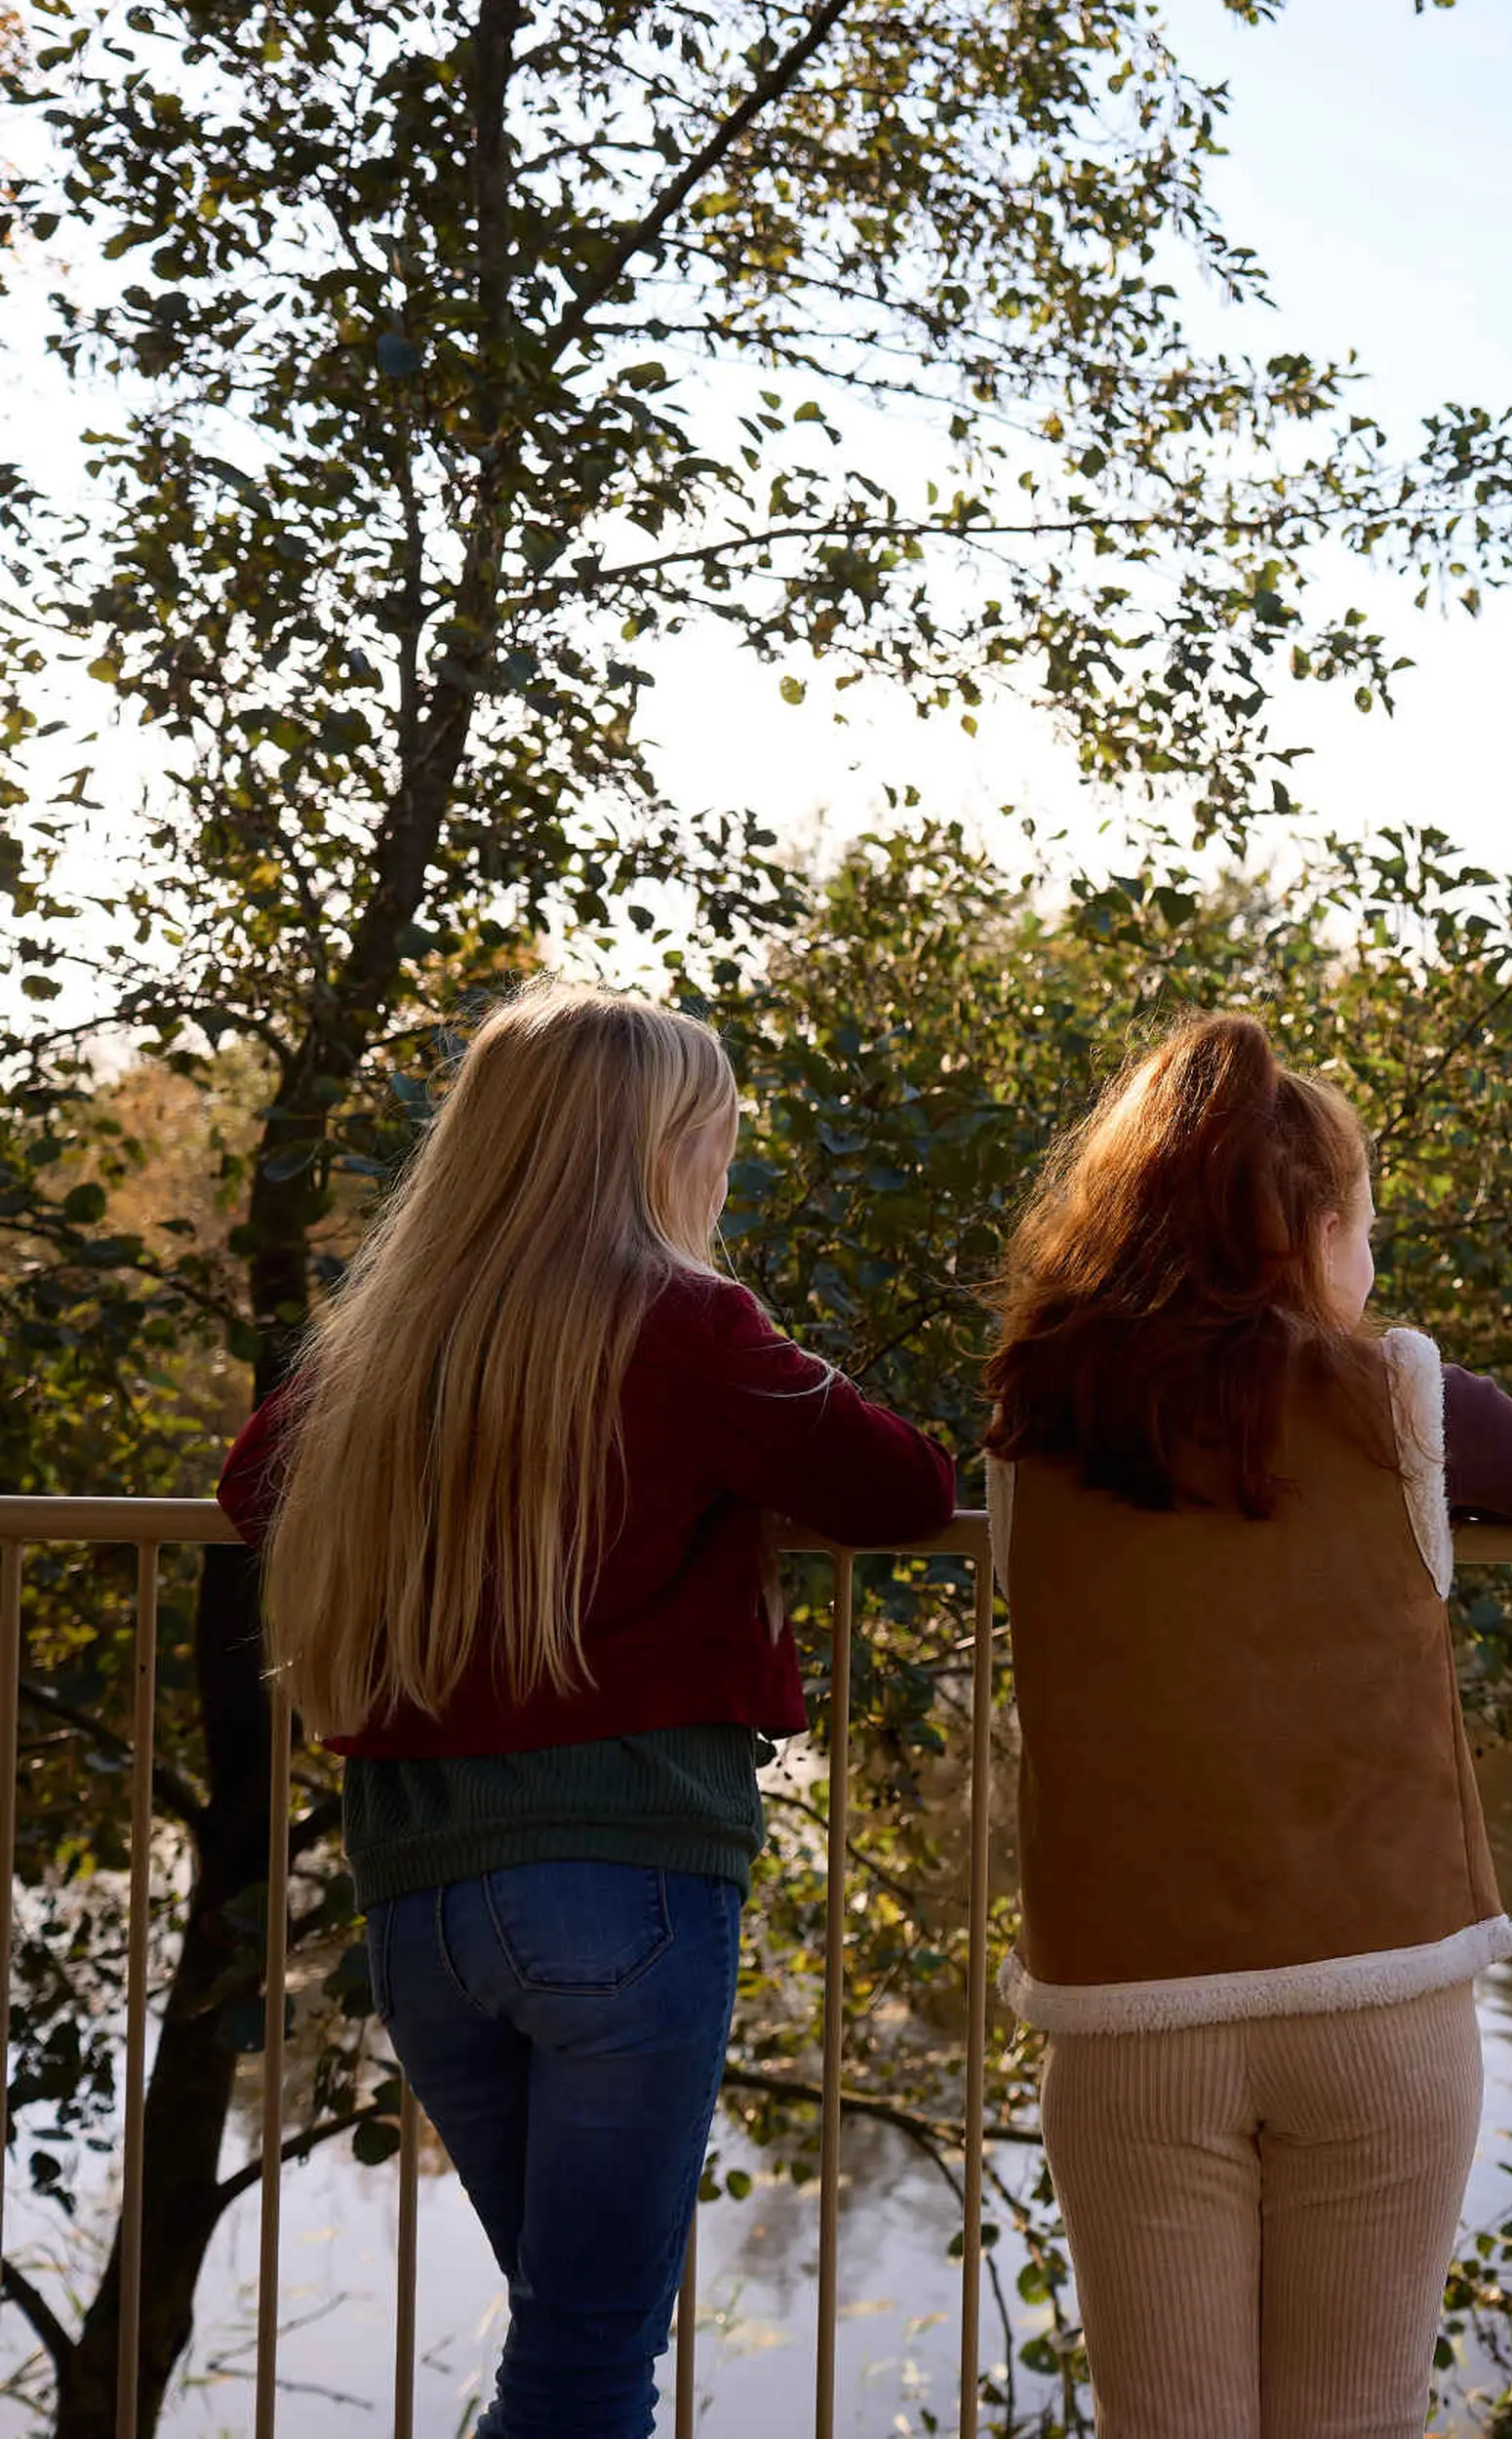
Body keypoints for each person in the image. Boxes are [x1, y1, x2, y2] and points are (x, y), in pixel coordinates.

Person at [219, 982, 958, 2438]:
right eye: (713, 1138)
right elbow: (905, 1489)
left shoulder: (385, 1340)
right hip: (624, 1884)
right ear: (656, 1149)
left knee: (569, 2342)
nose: (723, 1168)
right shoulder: (686, 1324)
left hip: (422, 1899)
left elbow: (256, 1491)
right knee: (585, 2361)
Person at [984, 1014, 1512, 2437]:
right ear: (1319, 1233)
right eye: (1364, 1229)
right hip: (1377, 1993)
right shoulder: (1392, 1395)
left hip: (1129, 2015)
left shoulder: (1036, 1420)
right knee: (1358, 2416)